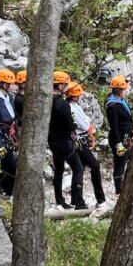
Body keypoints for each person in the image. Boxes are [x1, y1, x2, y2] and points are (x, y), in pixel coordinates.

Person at [49, 70, 85, 210]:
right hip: (64, 141)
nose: (67, 88)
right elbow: (70, 124)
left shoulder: (48, 102)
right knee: (78, 168)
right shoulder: (62, 104)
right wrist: (75, 125)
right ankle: (79, 202)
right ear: (59, 87)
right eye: (65, 85)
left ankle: (59, 201)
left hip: (52, 140)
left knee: (58, 169)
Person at [68, 82, 106, 208]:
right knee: (94, 166)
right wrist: (90, 129)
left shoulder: (74, 106)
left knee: (79, 170)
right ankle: (100, 199)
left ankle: (76, 200)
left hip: (80, 141)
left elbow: (86, 120)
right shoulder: (72, 108)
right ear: (75, 95)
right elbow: (85, 124)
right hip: (81, 141)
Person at [106, 75, 133, 195]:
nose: (126, 91)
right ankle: (118, 189)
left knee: (129, 159)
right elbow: (114, 127)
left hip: (127, 137)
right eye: (124, 89)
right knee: (120, 162)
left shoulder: (122, 101)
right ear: (118, 90)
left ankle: (126, 185)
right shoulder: (112, 105)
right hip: (119, 138)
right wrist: (118, 144)